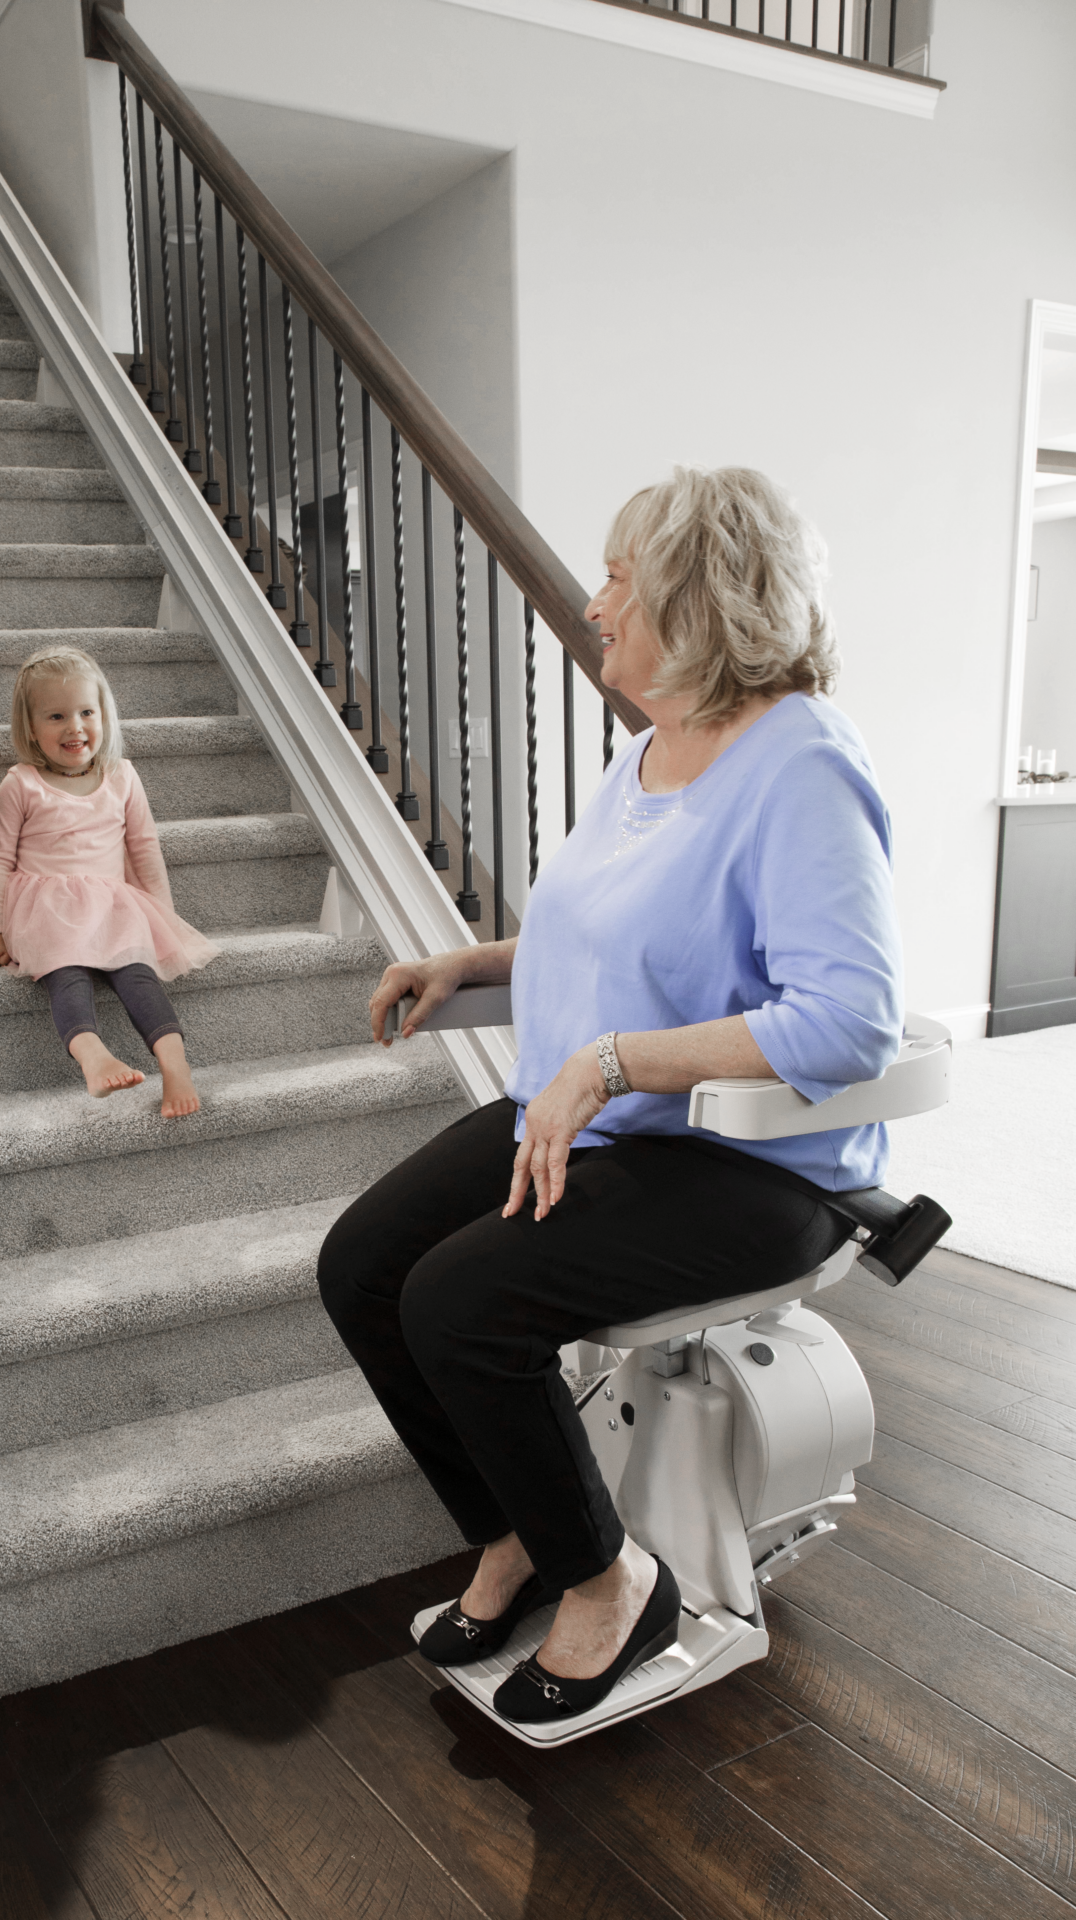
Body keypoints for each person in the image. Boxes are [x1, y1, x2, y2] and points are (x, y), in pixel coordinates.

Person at [318, 466, 903, 1726]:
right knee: (362, 1264)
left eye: (618, 580)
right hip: (601, 1120)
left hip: (755, 1165)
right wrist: (470, 965)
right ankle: (521, 1533)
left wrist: (612, 1063)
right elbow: (604, 943)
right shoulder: (646, 751)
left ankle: (608, 1583)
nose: (592, 604)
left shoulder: (800, 763)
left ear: (695, 599)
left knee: (459, 1299)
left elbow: (848, 1021)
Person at [0, 645, 218, 1117]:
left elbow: (144, 850)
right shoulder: (21, 783)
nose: (75, 727)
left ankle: (175, 1065)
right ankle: (92, 1055)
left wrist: (160, 916)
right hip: (47, 906)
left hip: (112, 905)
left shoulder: (122, 777)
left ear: (103, 714)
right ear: (30, 728)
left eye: (87, 711)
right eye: (56, 716)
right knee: (66, 975)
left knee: (138, 975)